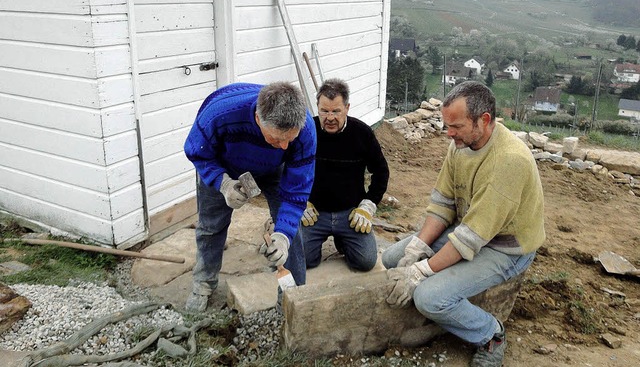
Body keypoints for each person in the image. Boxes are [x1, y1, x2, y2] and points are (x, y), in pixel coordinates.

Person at [382, 81, 545, 367]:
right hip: (469, 230)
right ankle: (446, 307)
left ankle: (491, 334)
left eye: (455, 126)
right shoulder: (461, 144)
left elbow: (470, 237)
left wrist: (421, 271)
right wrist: (417, 248)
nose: (449, 133)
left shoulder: (509, 161)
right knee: (393, 257)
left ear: (483, 121)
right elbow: (443, 204)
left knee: (428, 297)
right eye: (447, 125)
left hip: (505, 248)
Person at [183, 81, 316, 312]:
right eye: (276, 139)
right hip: (224, 165)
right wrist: (223, 184)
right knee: (211, 226)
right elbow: (197, 152)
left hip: (274, 168)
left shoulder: (304, 129)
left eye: (289, 140)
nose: (284, 145)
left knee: (291, 228)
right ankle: (203, 283)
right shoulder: (220, 112)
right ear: (257, 119)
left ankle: (293, 293)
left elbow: (296, 191)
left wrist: (283, 235)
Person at [301, 78, 389, 272]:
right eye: (324, 111)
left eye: (336, 111)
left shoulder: (362, 134)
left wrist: (368, 205)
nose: (330, 117)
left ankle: (344, 238)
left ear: (347, 108)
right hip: (315, 213)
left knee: (365, 262)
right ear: (317, 107)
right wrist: (300, 201)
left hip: (350, 213)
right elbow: (289, 168)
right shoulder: (307, 132)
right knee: (304, 260)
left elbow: (381, 171)